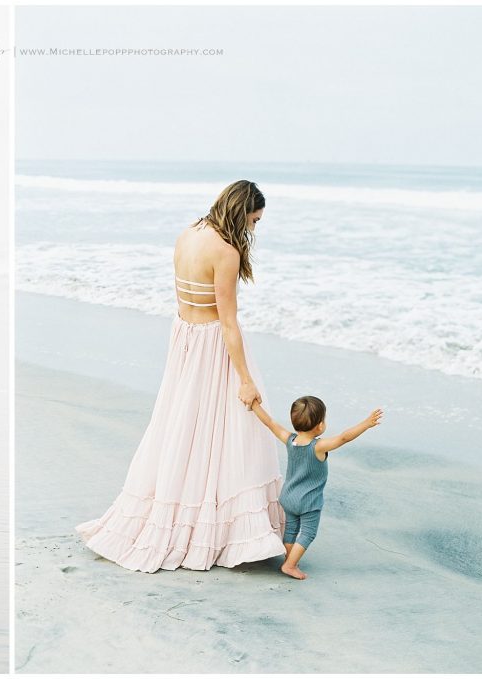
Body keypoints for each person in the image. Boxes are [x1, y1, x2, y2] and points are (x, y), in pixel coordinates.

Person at [76, 180, 287, 572]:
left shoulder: (188, 235)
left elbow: (183, 298)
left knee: (182, 427)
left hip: (184, 337)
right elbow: (228, 323)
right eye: (254, 221)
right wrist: (244, 378)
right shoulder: (225, 252)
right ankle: (221, 526)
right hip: (210, 345)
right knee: (223, 432)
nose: (254, 230)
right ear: (242, 212)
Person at [252, 397, 383, 579]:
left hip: (288, 496)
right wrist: (366, 424)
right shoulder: (319, 446)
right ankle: (290, 565)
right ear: (320, 425)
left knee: (291, 529)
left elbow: (270, 423)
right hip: (308, 502)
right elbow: (344, 437)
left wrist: (254, 405)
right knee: (308, 533)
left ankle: (290, 559)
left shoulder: (290, 440)